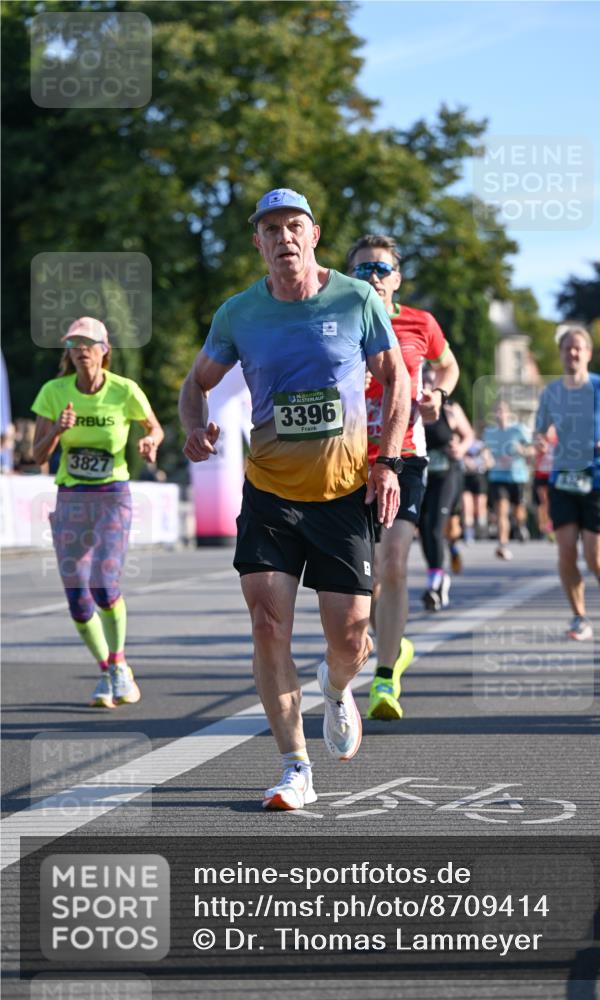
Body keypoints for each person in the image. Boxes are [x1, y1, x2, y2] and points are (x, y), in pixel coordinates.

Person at [179, 189, 410, 811]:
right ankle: (294, 767)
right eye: (271, 228)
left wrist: (387, 461)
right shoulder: (238, 314)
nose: (284, 237)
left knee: (351, 637)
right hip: (270, 494)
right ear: (258, 242)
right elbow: (196, 382)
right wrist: (194, 426)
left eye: (294, 226)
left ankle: (335, 687)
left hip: (342, 494)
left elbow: (396, 378)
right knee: (267, 622)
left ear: (314, 235)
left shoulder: (357, 299)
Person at [346, 234, 459, 721]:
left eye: (382, 269)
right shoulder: (336, 322)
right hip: (349, 461)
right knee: (363, 577)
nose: (373, 276)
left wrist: (439, 396)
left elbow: (448, 365)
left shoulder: (419, 322)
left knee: (392, 562)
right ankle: (391, 643)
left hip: (405, 457)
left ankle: (385, 678)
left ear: (397, 278)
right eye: (362, 269)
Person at [32, 317, 164, 707]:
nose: (80, 350)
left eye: (88, 343)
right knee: (77, 598)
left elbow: (154, 428)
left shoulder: (124, 390)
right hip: (71, 498)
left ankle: (119, 664)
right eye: (73, 344)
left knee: (103, 584)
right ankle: (107, 669)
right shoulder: (54, 392)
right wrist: (57, 429)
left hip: (112, 496)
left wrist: (150, 442)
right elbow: (37, 455)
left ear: (104, 349)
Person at [535, 325, 600, 640]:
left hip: (597, 479)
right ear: (561, 354)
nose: (573, 353)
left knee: (595, 558)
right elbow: (540, 429)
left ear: (588, 353)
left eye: (578, 348)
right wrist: (539, 440)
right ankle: (579, 616)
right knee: (566, 552)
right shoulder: (551, 392)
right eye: (568, 348)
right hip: (562, 480)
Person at [418, 367, 474, 611]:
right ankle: (439, 570)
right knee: (424, 528)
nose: (427, 386)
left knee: (437, 526)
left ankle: (436, 583)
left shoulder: (450, 409)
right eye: (423, 381)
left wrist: (461, 449)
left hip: (447, 474)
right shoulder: (412, 408)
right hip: (422, 476)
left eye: (431, 382)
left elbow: (468, 435)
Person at [483, 400, 532, 560]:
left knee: (518, 511)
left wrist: (523, 451)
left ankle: (521, 525)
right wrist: (486, 458)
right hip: (498, 476)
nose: (500, 414)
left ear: (509, 413)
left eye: (503, 411)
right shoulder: (489, 432)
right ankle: (502, 545)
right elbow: (485, 451)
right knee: (501, 511)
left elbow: (533, 448)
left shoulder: (519, 429)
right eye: (497, 411)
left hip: (517, 476)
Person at [461, 437, 489, 541]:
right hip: (465, 476)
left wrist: (482, 463)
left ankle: (481, 529)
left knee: (480, 505)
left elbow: (489, 462)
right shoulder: (462, 442)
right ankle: (468, 532)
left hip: (479, 477)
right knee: (467, 506)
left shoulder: (481, 444)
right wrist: (465, 461)